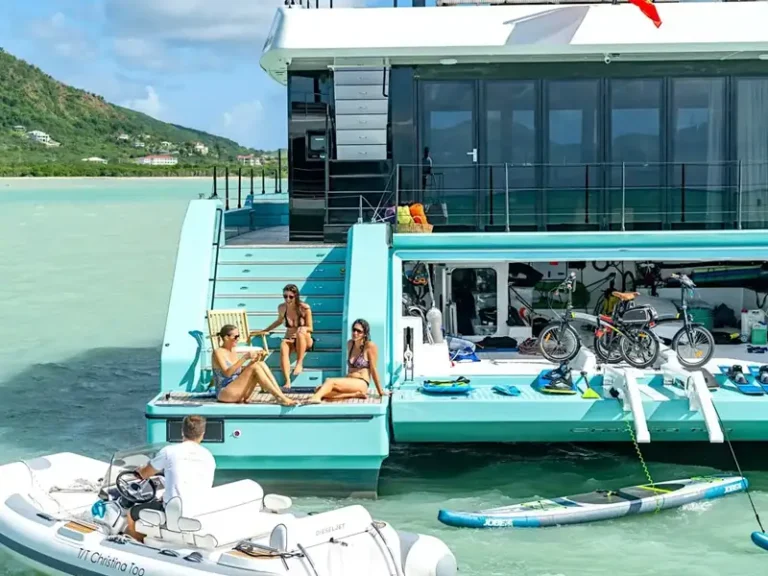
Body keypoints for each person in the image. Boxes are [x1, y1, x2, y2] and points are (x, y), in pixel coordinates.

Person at [125, 415, 216, 543]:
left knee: (131, 514)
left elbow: (145, 473)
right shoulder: (209, 457)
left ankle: (140, 545)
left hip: (174, 514)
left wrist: (140, 471)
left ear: (182, 431)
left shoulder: (169, 452)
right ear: (202, 434)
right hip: (200, 511)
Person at [305, 319, 388, 404]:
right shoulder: (350, 344)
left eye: (359, 331)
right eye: (354, 330)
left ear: (365, 334)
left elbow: (374, 369)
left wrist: (380, 391)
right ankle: (354, 394)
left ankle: (316, 398)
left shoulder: (370, 346)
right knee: (319, 389)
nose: (355, 333)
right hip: (349, 380)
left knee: (329, 381)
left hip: (361, 382)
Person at [212, 324, 296, 406]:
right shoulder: (218, 352)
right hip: (225, 393)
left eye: (239, 336)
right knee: (255, 367)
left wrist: (254, 360)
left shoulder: (233, 350)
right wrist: (245, 358)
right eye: (236, 336)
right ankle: (279, 396)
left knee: (259, 363)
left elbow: (238, 372)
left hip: (238, 391)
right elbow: (227, 373)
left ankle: (280, 395)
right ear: (226, 338)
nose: (238, 339)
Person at [254, 284, 313, 388]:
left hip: (304, 339)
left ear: (296, 296)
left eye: (291, 296)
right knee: (283, 345)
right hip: (290, 339)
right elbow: (279, 321)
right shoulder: (282, 308)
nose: (287, 299)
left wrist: (302, 329)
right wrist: (266, 330)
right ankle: (287, 381)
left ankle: (299, 363)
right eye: (285, 296)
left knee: (300, 332)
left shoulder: (304, 308)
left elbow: (310, 328)